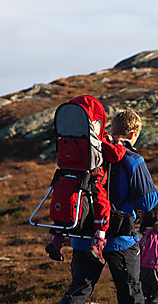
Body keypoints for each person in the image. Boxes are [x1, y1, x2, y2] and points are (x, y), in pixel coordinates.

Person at [33, 109, 158, 304]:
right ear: (134, 133)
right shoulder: (133, 160)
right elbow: (147, 201)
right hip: (120, 239)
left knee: (78, 291)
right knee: (131, 293)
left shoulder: (87, 155)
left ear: (111, 129)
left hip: (82, 236)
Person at [43, 95, 127, 264]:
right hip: (92, 179)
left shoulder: (66, 135)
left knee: (64, 201)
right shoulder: (96, 139)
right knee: (102, 204)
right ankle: (98, 243)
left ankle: (56, 240)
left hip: (67, 175)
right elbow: (115, 156)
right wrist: (119, 144)